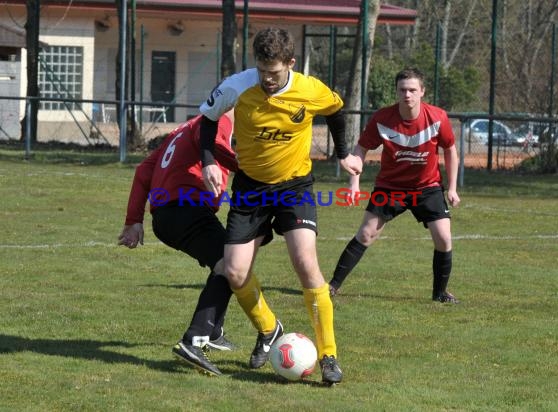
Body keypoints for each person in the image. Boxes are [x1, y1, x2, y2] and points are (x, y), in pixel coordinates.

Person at [194, 27, 362, 384]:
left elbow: (336, 111)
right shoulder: (238, 86)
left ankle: (329, 355)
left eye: (275, 72)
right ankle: (269, 330)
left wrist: (344, 153)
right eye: (262, 71)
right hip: (250, 189)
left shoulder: (310, 89)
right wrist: (209, 160)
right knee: (236, 271)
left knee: (305, 263)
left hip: (294, 187)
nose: (268, 79)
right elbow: (207, 122)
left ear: (291, 63)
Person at [118, 112, 239, 376]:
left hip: (166, 216)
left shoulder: (182, 129)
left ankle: (213, 332)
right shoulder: (219, 119)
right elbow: (215, 147)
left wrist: (134, 220)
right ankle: (194, 341)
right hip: (187, 210)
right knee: (233, 267)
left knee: (225, 265)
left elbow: (143, 171)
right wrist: (253, 167)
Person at [329, 67, 461, 303]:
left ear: (422, 91)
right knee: (366, 233)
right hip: (390, 188)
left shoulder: (438, 117)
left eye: (412, 90)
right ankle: (332, 286)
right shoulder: (382, 118)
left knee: (443, 238)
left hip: (427, 187)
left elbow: (450, 150)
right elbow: (361, 149)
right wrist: (354, 183)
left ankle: (440, 293)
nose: (407, 95)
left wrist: (451, 188)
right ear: (397, 92)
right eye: (402, 90)